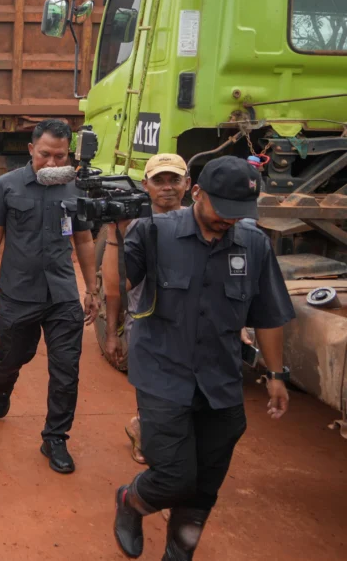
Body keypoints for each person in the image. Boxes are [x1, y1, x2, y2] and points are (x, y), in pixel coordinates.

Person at [112, 156, 295, 561]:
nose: (230, 220)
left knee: (206, 482)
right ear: (197, 194)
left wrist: (277, 374)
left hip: (220, 377)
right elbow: (118, 289)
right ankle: (132, 500)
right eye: (222, 209)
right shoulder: (153, 232)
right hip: (162, 371)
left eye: (239, 212)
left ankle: (179, 552)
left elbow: (267, 315)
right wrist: (114, 234)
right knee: (174, 476)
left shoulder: (254, 245)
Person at [0, 119, 98, 474]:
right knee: (14, 355)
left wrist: (91, 289)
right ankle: (1, 384)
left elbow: (84, 240)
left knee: (66, 370)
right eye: (45, 155)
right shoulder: (7, 186)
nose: (53, 163)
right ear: (31, 150)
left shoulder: (75, 189)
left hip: (62, 293)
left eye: (61, 156)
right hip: (18, 293)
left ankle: (55, 437)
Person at [102, 153, 190, 463]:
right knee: (151, 392)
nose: (167, 188)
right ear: (146, 185)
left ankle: (146, 429)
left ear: (187, 184)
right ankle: (147, 436)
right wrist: (111, 333)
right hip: (147, 325)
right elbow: (114, 290)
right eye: (159, 181)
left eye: (174, 180)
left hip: (188, 326)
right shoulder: (134, 226)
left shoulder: (199, 224)